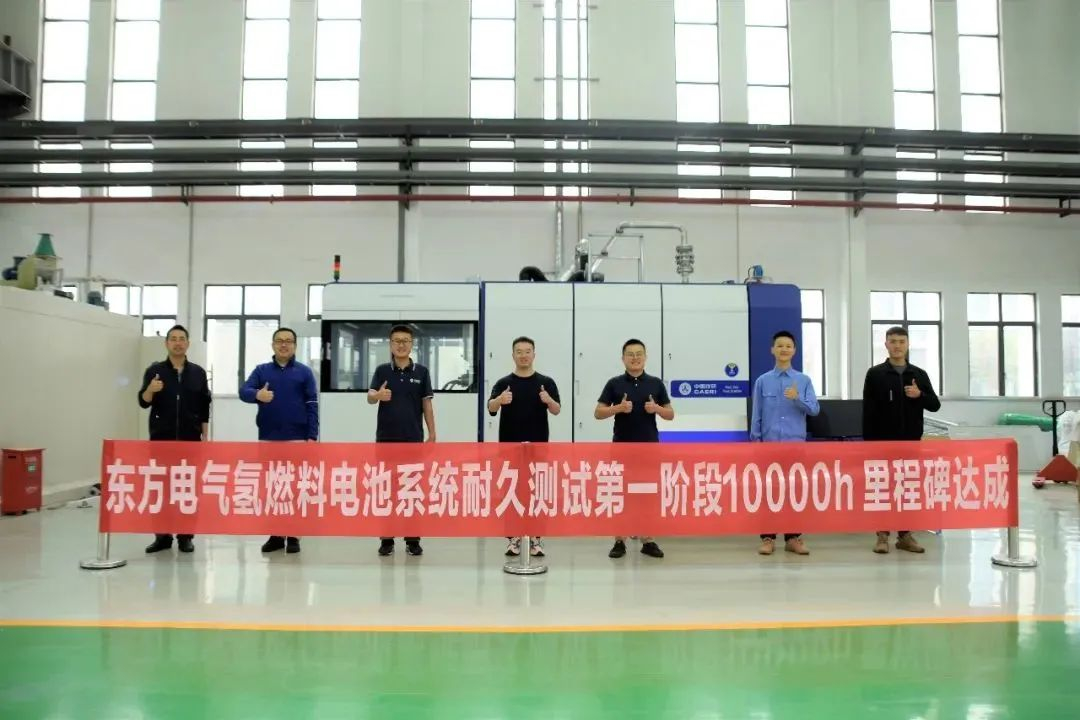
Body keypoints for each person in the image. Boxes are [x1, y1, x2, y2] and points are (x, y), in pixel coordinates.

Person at [862, 325, 941, 555]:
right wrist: (870, 444)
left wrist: (920, 395)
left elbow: (935, 405)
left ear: (907, 345)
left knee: (908, 489)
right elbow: (868, 411)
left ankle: (905, 535)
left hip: (910, 442)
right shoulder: (875, 374)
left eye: (901, 341)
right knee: (883, 489)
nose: (897, 346)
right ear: (886, 344)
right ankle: (882, 535)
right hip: (882, 443)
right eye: (893, 341)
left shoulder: (918, 374)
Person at [240, 327, 319, 555]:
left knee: (295, 488)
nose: (284, 344)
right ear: (273, 345)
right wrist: (257, 395)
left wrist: (312, 436)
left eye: (288, 341)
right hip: (269, 438)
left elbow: (312, 405)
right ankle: (275, 535)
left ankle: (293, 535)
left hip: (297, 438)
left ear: (295, 345)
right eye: (279, 341)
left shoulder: (304, 372)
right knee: (272, 488)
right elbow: (244, 391)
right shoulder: (261, 371)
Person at [594, 339, 674, 559]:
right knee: (621, 493)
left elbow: (670, 414)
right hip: (621, 447)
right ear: (623, 358)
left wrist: (656, 408)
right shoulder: (614, 383)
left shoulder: (656, 384)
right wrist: (618, 408)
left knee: (648, 494)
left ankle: (648, 540)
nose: (635, 358)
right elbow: (598, 412)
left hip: (649, 448)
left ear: (645, 357)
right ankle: (620, 540)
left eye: (639, 354)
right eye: (630, 354)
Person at [137, 324, 211, 555]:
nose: (178, 343)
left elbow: (204, 406)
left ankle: (185, 536)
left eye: (182, 339)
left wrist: (205, 435)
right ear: (166, 343)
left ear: (188, 343)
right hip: (161, 440)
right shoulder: (155, 371)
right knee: (161, 489)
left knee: (187, 489)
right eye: (173, 339)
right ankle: (162, 536)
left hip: (190, 440)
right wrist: (151, 389)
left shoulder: (198, 373)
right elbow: (143, 401)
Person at [487, 336, 562, 558]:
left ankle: (536, 538)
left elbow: (557, 410)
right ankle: (513, 539)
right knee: (511, 492)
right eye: (519, 352)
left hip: (538, 448)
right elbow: (490, 408)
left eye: (527, 351)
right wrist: (499, 400)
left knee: (537, 492)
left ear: (534, 354)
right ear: (513, 355)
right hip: (509, 448)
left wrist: (548, 400)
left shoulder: (546, 382)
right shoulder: (504, 383)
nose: (523, 355)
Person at [367, 325, 436, 557]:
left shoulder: (422, 372)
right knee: (387, 491)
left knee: (412, 491)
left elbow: (427, 404)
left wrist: (432, 433)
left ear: (412, 344)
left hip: (413, 440)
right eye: (396, 340)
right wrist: (377, 395)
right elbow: (370, 397)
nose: (401, 344)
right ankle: (386, 539)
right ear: (390, 344)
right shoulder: (382, 371)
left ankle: (412, 539)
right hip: (386, 440)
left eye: (405, 340)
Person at [750, 330, 820, 556]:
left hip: (795, 446)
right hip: (769, 446)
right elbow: (757, 414)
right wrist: (756, 441)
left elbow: (814, 409)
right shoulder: (763, 381)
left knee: (794, 492)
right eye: (780, 345)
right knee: (769, 492)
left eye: (788, 346)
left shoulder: (803, 380)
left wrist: (797, 398)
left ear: (794, 350)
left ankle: (793, 538)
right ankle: (768, 538)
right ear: (772, 349)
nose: (784, 349)